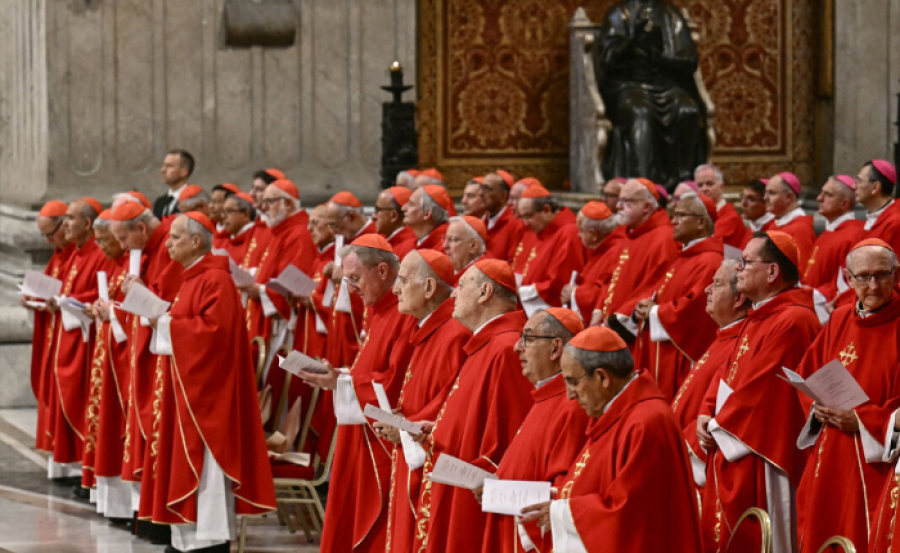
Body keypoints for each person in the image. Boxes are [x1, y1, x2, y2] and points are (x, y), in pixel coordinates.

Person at [147, 212, 277, 552]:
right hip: (191, 388)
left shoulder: (215, 280)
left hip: (209, 395)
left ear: (195, 241)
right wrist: (166, 321)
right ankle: (184, 539)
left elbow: (213, 335)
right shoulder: (192, 277)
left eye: (175, 237)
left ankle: (206, 541)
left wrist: (165, 324)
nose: (168, 243)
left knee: (205, 467)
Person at [520, 326, 703, 551]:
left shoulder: (646, 423)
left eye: (573, 381)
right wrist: (559, 498)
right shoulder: (615, 415)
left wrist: (560, 513)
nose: (570, 394)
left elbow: (631, 516)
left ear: (602, 377)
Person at [697, 231, 821, 553]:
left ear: (771, 272)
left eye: (745, 262)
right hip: (735, 438)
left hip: (763, 450)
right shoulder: (761, 314)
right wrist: (704, 412)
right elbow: (729, 373)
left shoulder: (793, 320)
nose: (739, 269)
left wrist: (716, 424)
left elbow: (761, 391)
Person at [301, 235, 418, 552]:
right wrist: (339, 377)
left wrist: (344, 382)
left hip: (380, 442)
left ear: (382, 271)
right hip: (361, 433)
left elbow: (397, 384)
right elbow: (372, 372)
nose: (349, 287)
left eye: (354, 278)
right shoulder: (381, 309)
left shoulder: (404, 313)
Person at [413, 259, 534, 553]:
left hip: (475, 494)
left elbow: (512, 434)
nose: (453, 294)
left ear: (485, 292)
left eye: (462, 285)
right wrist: (438, 429)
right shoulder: (487, 344)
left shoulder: (507, 348)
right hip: (456, 481)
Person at [792, 239, 900, 552]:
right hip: (829, 454)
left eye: (882, 274)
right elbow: (809, 374)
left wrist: (863, 422)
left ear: (896, 275)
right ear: (849, 279)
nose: (875, 285)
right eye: (864, 277)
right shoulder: (838, 318)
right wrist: (816, 408)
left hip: (874, 464)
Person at [376, 249, 471, 553]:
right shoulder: (428, 327)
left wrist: (404, 427)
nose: (395, 288)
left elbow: (450, 399)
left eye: (403, 280)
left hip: (428, 451)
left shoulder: (454, 333)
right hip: (410, 446)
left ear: (429, 288)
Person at [480, 308, 590, 553]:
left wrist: (504, 493)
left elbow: (564, 493)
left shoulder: (572, 407)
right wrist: (496, 492)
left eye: (527, 338)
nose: (517, 347)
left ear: (555, 348)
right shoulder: (546, 398)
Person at [110, 200, 183, 543]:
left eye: (125, 239)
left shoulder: (170, 244)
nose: (123, 248)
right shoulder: (153, 247)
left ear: (141, 228)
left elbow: (171, 305)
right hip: (151, 353)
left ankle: (160, 515)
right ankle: (149, 512)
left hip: (166, 356)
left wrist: (140, 294)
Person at [612, 193, 723, 400]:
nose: (674, 221)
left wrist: (654, 312)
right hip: (660, 351)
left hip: (677, 358)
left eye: (681, 215)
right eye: (674, 215)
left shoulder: (709, 262)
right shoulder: (684, 256)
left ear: (700, 221)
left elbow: (696, 310)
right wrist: (643, 308)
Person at [596, 0, 707, 189]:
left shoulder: (671, 15)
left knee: (687, 109)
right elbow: (608, 60)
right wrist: (631, 40)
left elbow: (688, 61)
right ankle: (642, 183)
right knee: (640, 111)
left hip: (665, 81)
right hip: (630, 84)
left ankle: (682, 181)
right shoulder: (618, 14)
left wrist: (661, 58)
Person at [239, 179, 316, 416]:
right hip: (267, 315)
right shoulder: (280, 230)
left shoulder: (298, 233)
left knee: (277, 378)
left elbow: (295, 283)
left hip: (282, 325)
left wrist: (260, 290)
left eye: (270, 202)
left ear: (288, 205)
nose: (263, 207)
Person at [672, 260, 750, 490]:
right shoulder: (725, 337)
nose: (707, 289)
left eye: (716, 283)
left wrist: (682, 448)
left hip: (696, 466)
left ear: (739, 299)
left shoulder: (740, 344)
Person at [46, 198, 108, 482]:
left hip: (88, 341)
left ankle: (85, 467)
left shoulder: (99, 253)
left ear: (87, 223)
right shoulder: (77, 252)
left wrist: (69, 302)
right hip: (70, 336)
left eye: (70, 218)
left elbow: (101, 296)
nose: (64, 225)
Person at [82, 209, 133, 522]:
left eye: (106, 240)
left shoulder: (130, 266)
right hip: (108, 353)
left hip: (124, 358)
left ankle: (124, 504)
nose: (101, 247)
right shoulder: (117, 265)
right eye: (98, 241)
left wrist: (111, 310)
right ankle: (110, 501)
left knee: (117, 426)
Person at [591, 178, 677, 324]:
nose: (618, 206)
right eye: (619, 200)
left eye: (626, 201)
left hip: (632, 328)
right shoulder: (629, 234)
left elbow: (655, 288)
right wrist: (599, 310)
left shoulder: (665, 240)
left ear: (646, 206)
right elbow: (611, 278)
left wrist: (617, 321)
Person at [26, 200, 75, 455]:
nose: (46, 241)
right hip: (54, 332)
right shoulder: (58, 255)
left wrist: (58, 303)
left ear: (64, 224)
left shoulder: (78, 254)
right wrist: (33, 298)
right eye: (42, 235)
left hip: (73, 337)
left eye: (49, 233)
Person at [517, 185, 586, 315]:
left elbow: (558, 285)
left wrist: (521, 292)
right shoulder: (541, 230)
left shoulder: (568, 233)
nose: (525, 223)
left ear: (547, 210)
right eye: (522, 217)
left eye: (528, 216)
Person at [804, 175, 864, 320]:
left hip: (826, 308)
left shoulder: (854, 235)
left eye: (828, 195)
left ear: (844, 204)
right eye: (821, 193)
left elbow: (847, 282)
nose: (819, 198)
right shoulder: (828, 231)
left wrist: (814, 293)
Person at [562, 201, 625, 321]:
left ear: (593, 234)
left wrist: (575, 293)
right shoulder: (601, 248)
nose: (578, 236)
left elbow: (610, 291)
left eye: (581, 231)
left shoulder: (617, 251)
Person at [764, 172, 815, 270]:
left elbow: (801, 269)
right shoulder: (773, 224)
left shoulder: (801, 229)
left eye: (771, 193)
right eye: (765, 193)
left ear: (789, 197)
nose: (765, 198)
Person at [696, 164, 746, 248]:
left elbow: (710, 246)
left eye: (709, 184)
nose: (704, 189)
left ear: (721, 186)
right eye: (700, 185)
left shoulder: (730, 217)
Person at [481, 171, 525, 263]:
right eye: (482, 188)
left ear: (503, 195)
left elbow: (514, 263)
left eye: (488, 189)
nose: (481, 193)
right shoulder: (483, 221)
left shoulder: (516, 224)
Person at [858, 160, 900, 249]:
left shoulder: (895, 223)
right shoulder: (872, 219)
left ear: (875, 187)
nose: (854, 186)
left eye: (859, 181)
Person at [404, 185, 451, 253]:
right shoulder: (416, 241)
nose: (403, 208)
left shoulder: (444, 248)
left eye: (411, 204)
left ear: (427, 213)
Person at [375, 187, 417, 260]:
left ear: (393, 215)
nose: (374, 216)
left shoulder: (407, 249)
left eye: (378, 210)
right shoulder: (386, 240)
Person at [444, 215, 489, 281]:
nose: (445, 245)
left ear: (473, 246)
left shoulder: (481, 278)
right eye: (445, 239)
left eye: (453, 239)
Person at [219, 192, 258, 266]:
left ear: (245, 215)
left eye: (229, 211)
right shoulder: (224, 242)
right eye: (223, 212)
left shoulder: (258, 239)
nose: (223, 216)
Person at [153, 149, 194, 218]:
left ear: (184, 172)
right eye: (164, 165)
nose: (163, 170)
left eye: (169, 166)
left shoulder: (193, 201)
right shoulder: (159, 202)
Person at [740, 178, 773, 243]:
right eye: (743, 197)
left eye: (751, 199)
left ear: (766, 203)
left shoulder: (775, 231)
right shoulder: (750, 229)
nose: (743, 203)